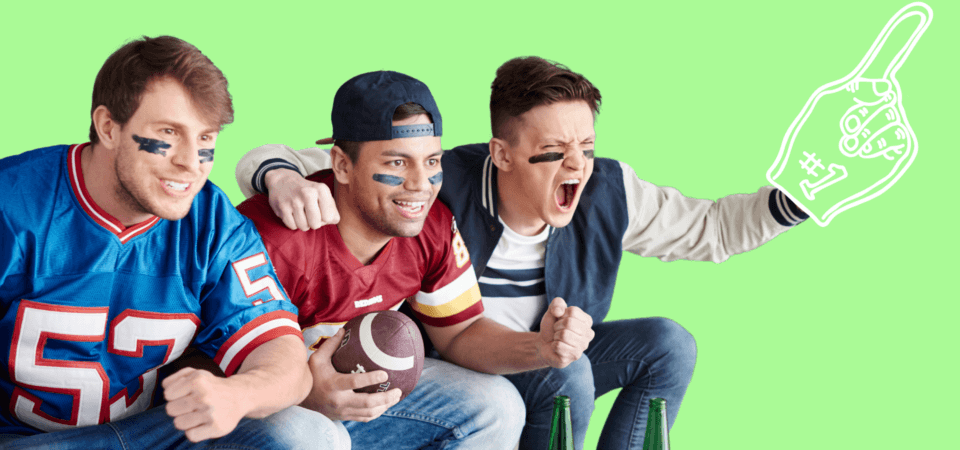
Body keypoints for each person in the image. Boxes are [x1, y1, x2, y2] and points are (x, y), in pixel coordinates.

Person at [235, 57, 809, 450]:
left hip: (527, 349)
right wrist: (279, 177)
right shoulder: (442, 186)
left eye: (586, 147)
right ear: (502, 154)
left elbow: (710, 228)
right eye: (555, 151)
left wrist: (806, 192)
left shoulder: (605, 190)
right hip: (434, 356)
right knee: (570, 377)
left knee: (667, 344)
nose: (578, 166)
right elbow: (314, 156)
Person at [0, 36, 347, 449]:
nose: (190, 161)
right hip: (23, 439)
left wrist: (238, 395)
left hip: (153, 431)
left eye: (205, 140)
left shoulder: (212, 221)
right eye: (168, 133)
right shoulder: (13, 205)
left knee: (310, 436)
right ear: (108, 127)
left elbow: (285, 358)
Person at [236, 70, 597, 449]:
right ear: (342, 165)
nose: (421, 184)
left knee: (498, 405)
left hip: (348, 398)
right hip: (257, 404)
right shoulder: (277, 236)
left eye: (431, 162)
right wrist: (304, 393)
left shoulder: (432, 226)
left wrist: (540, 347)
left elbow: (461, 333)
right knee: (314, 436)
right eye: (396, 163)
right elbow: (202, 363)